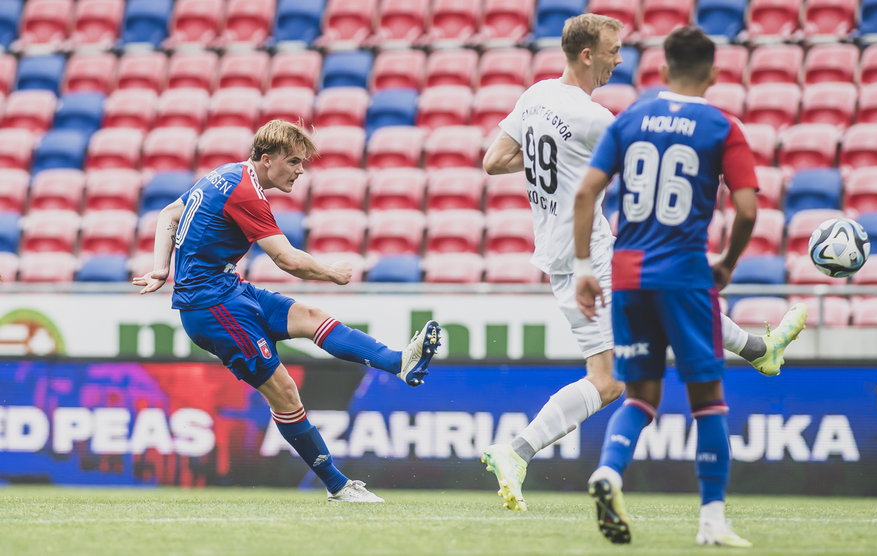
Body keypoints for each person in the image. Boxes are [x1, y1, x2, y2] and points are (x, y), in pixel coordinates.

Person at [480, 15, 806, 512]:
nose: (619, 59)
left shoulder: (535, 95)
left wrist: (561, 160)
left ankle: (760, 349)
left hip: (559, 254)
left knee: (661, 306)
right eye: (612, 50)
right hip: (590, 256)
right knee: (612, 378)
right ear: (587, 54)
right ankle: (518, 451)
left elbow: (494, 161)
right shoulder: (594, 119)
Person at [133, 120, 441, 503]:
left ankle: (399, 363)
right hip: (211, 306)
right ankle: (338, 486)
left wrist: (162, 268)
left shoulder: (226, 174)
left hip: (228, 289)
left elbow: (168, 214)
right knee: (284, 392)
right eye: (293, 161)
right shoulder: (245, 192)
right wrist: (332, 272)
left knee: (310, 317)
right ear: (267, 159)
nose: (300, 170)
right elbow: (288, 260)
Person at [574, 27, 790, 547]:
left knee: (640, 396)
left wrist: (583, 266)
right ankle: (712, 521)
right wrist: (728, 263)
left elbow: (585, 193)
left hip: (628, 274)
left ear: (663, 70)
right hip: (686, 275)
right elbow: (747, 209)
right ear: (714, 74)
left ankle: (608, 471)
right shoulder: (722, 126)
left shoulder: (630, 119)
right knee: (708, 401)